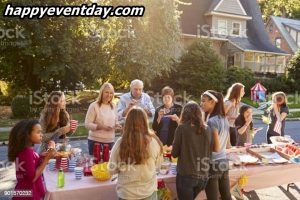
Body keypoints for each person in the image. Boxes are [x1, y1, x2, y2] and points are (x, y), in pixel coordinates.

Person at [108, 107, 163, 200]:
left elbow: (111, 170)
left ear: (127, 122)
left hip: (127, 193)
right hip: (148, 192)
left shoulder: (120, 143)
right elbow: (158, 166)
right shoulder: (154, 141)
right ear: (145, 121)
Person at [171, 102, 220, 200]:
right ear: (199, 113)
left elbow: (174, 153)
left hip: (187, 176)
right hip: (203, 176)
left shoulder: (182, 128)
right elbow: (211, 150)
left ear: (184, 113)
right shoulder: (207, 129)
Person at [8, 119, 56, 200]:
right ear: (27, 134)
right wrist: (46, 160)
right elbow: (32, 178)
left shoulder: (26, 150)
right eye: (38, 132)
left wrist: (40, 157)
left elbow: (29, 165)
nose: (41, 135)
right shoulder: (27, 152)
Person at [201, 90, 231, 200]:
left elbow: (216, 148)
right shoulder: (224, 119)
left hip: (213, 164)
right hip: (224, 162)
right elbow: (227, 145)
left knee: (212, 197)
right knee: (226, 195)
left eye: (204, 101)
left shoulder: (212, 121)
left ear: (212, 102)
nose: (201, 104)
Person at [85, 83, 120, 155]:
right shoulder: (94, 106)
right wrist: (101, 127)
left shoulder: (113, 105)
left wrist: (117, 125)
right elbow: (87, 124)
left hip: (110, 141)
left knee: (108, 165)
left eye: (111, 93)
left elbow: (116, 121)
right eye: (106, 92)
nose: (109, 95)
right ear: (102, 93)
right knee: (95, 165)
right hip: (95, 142)